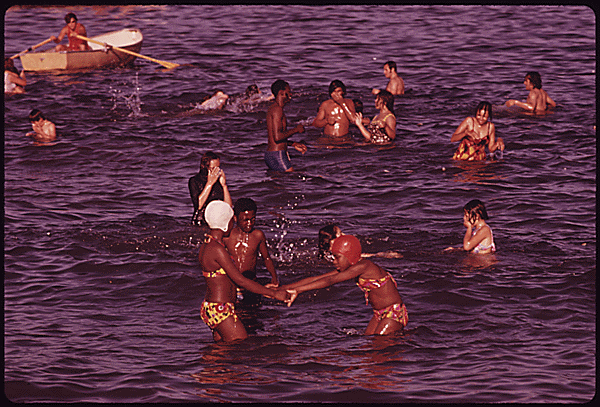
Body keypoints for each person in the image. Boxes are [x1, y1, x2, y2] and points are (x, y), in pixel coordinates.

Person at [199, 200, 290, 342]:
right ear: (225, 223)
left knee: (219, 353)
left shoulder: (207, 245)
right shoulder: (218, 249)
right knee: (241, 344)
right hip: (220, 309)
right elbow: (239, 280)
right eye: (231, 221)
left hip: (212, 307)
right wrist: (274, 293)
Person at [283, 234, 408, 336]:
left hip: (394, 313)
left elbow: (330, 281)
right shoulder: (353, 266)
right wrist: (284, 289)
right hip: (379, 314)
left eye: (337, 257)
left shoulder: (363, 266)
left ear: (349, 256)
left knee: (376, 349)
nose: (334, 261)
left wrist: (298, 291)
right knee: (369, 345)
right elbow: (320, 278)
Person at [224, 198, 279, 303]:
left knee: (253, 314)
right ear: (235, 218)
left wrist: (274, 277)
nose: (249, 223)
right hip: (232, 284)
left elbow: (266, 258)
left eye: (253, 219)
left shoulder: (258, 235)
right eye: (245, 220)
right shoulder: (227, 236)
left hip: (251, 284)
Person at [265, 79, 306, 172]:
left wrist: (293, 144)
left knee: (280, 184)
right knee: (292, 180)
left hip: (272, 154)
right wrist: (296, 129)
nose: (291, 95)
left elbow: (274, 138)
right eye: (289, 92)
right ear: (281, 93)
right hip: (277, 154)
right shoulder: (277, 110)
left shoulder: (273, 108)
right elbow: (277, 137)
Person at [188, 151, 232, 226]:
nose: (216, 171)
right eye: (213, 168)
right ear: (205, 167)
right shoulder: (194, 180)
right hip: (201, 221)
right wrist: (210, 183)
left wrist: (224, 186)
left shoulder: (219, 182)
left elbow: (228, 207)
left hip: (217, 220)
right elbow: (198, 205)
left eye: (218, 168)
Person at [318, 224, 402, 262]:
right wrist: (381, 255)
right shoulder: (340, 254)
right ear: (332, 240)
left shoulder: (326, 253)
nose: (344, 235)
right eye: (340, 234)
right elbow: (358, 257)